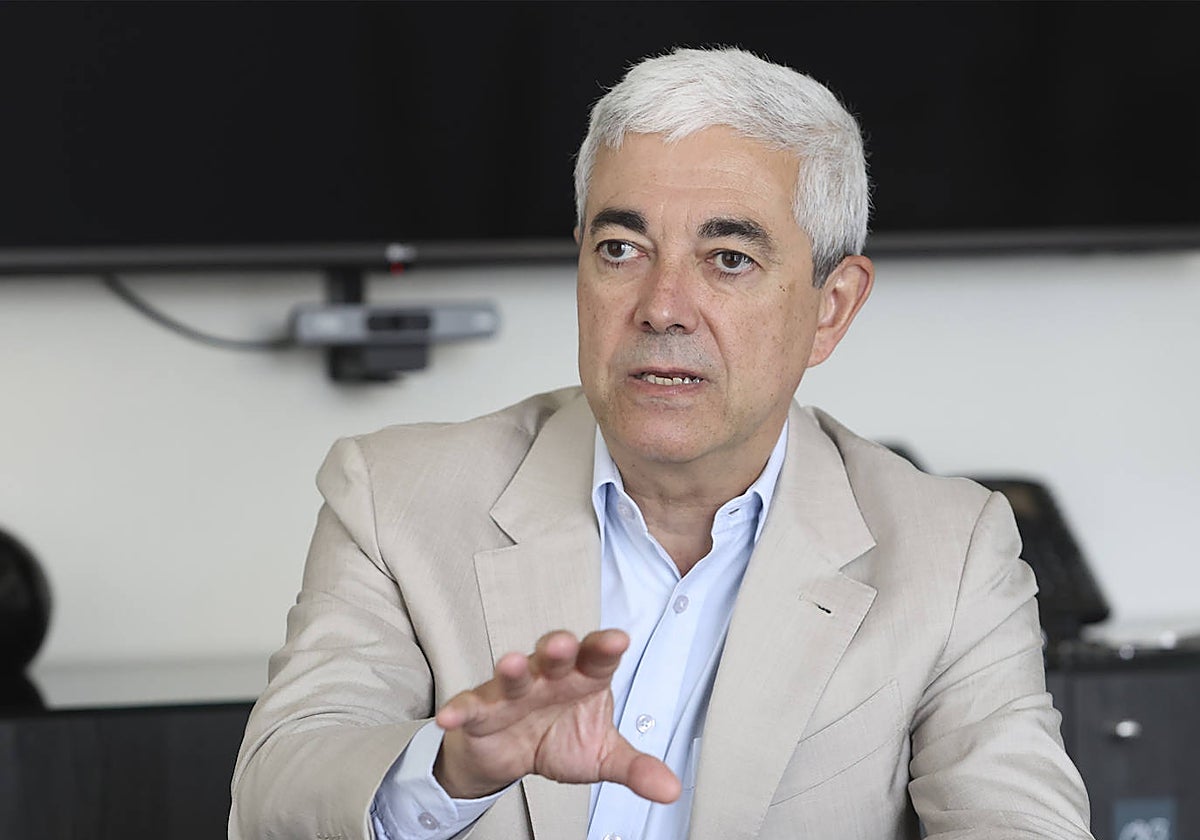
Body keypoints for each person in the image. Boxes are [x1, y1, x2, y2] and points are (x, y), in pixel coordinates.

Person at [230, 47, 1093, 840]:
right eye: (621, 248)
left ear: (831, 308)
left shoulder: (949, 553)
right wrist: (451, 769)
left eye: (728, 259)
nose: (662, 307)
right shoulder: (396, 497)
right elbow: (272, 797)